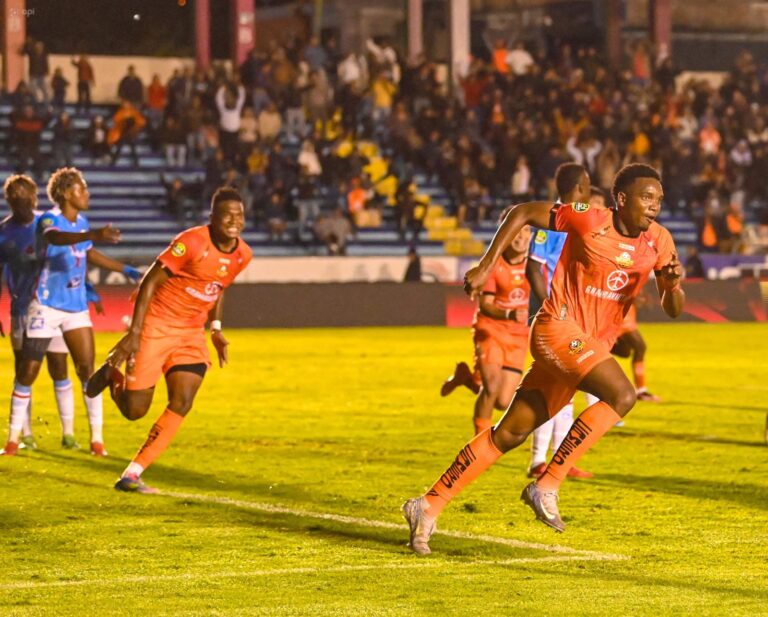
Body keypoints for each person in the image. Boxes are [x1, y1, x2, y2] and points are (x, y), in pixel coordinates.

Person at [402, 163, 684, 553]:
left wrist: (672, 284)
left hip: (588, 346)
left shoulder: (660, 240)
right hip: (557, 328)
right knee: (622, 395)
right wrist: (486, 266)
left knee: (509, 433)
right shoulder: (589, 219)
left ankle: (427, 505)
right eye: (647, 197)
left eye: (659, 200)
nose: (655, 206)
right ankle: (547, 484)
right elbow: (522, 213)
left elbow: (673, 307)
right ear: (622, 199)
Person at [86, 188, 253, 493]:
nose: (234, 220)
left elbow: (218, 287)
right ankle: (112, 374)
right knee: (135, 410)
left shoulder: (243, 254)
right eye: (227, 214)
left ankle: (132, 474)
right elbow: (150, 280)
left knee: (182, 401)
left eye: (239, 215)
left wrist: (215, 328)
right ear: (212, 217)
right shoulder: (192, 242)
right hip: (157, 323)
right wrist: (135, 333)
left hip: (190, 331)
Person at [1, 168, 141, 457]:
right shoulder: (49, 219)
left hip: (75, 307)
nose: (87, 193)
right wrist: (93, 234)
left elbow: (88, 253)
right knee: (27, 371)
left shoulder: (83, 223)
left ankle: (97, 441)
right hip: (46, 304)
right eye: (82, 188)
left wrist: (125, 269)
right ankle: (13, 440)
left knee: (87, 370)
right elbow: (55, 238)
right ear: (66, 193)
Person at [524, 163, 594, 479]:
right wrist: (550, 306)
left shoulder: (577, 221)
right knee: (556, 387)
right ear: (579, 187)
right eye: (588, 184)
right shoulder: (551, 222)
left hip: (572, 314)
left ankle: (552, 460)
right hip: (556, 317)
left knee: (565, 389)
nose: (590, 190)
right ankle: (542, 460)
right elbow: (533, 266)